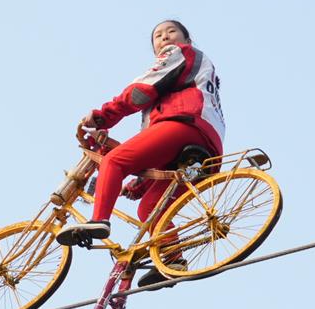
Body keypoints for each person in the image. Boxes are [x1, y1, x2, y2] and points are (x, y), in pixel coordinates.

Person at [59, 20, 226, 265]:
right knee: (150, 207)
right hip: (206, 149)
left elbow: (141, 90)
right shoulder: (186, 83)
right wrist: (138, 185)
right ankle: (172, 259)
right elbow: (153, 150)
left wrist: (103, 116)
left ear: (187, 40)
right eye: (158, 36)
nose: (165, 37)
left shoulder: (180, 54)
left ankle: (99, 221)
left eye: (171, 31)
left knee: (114, 161)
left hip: (185, 125)